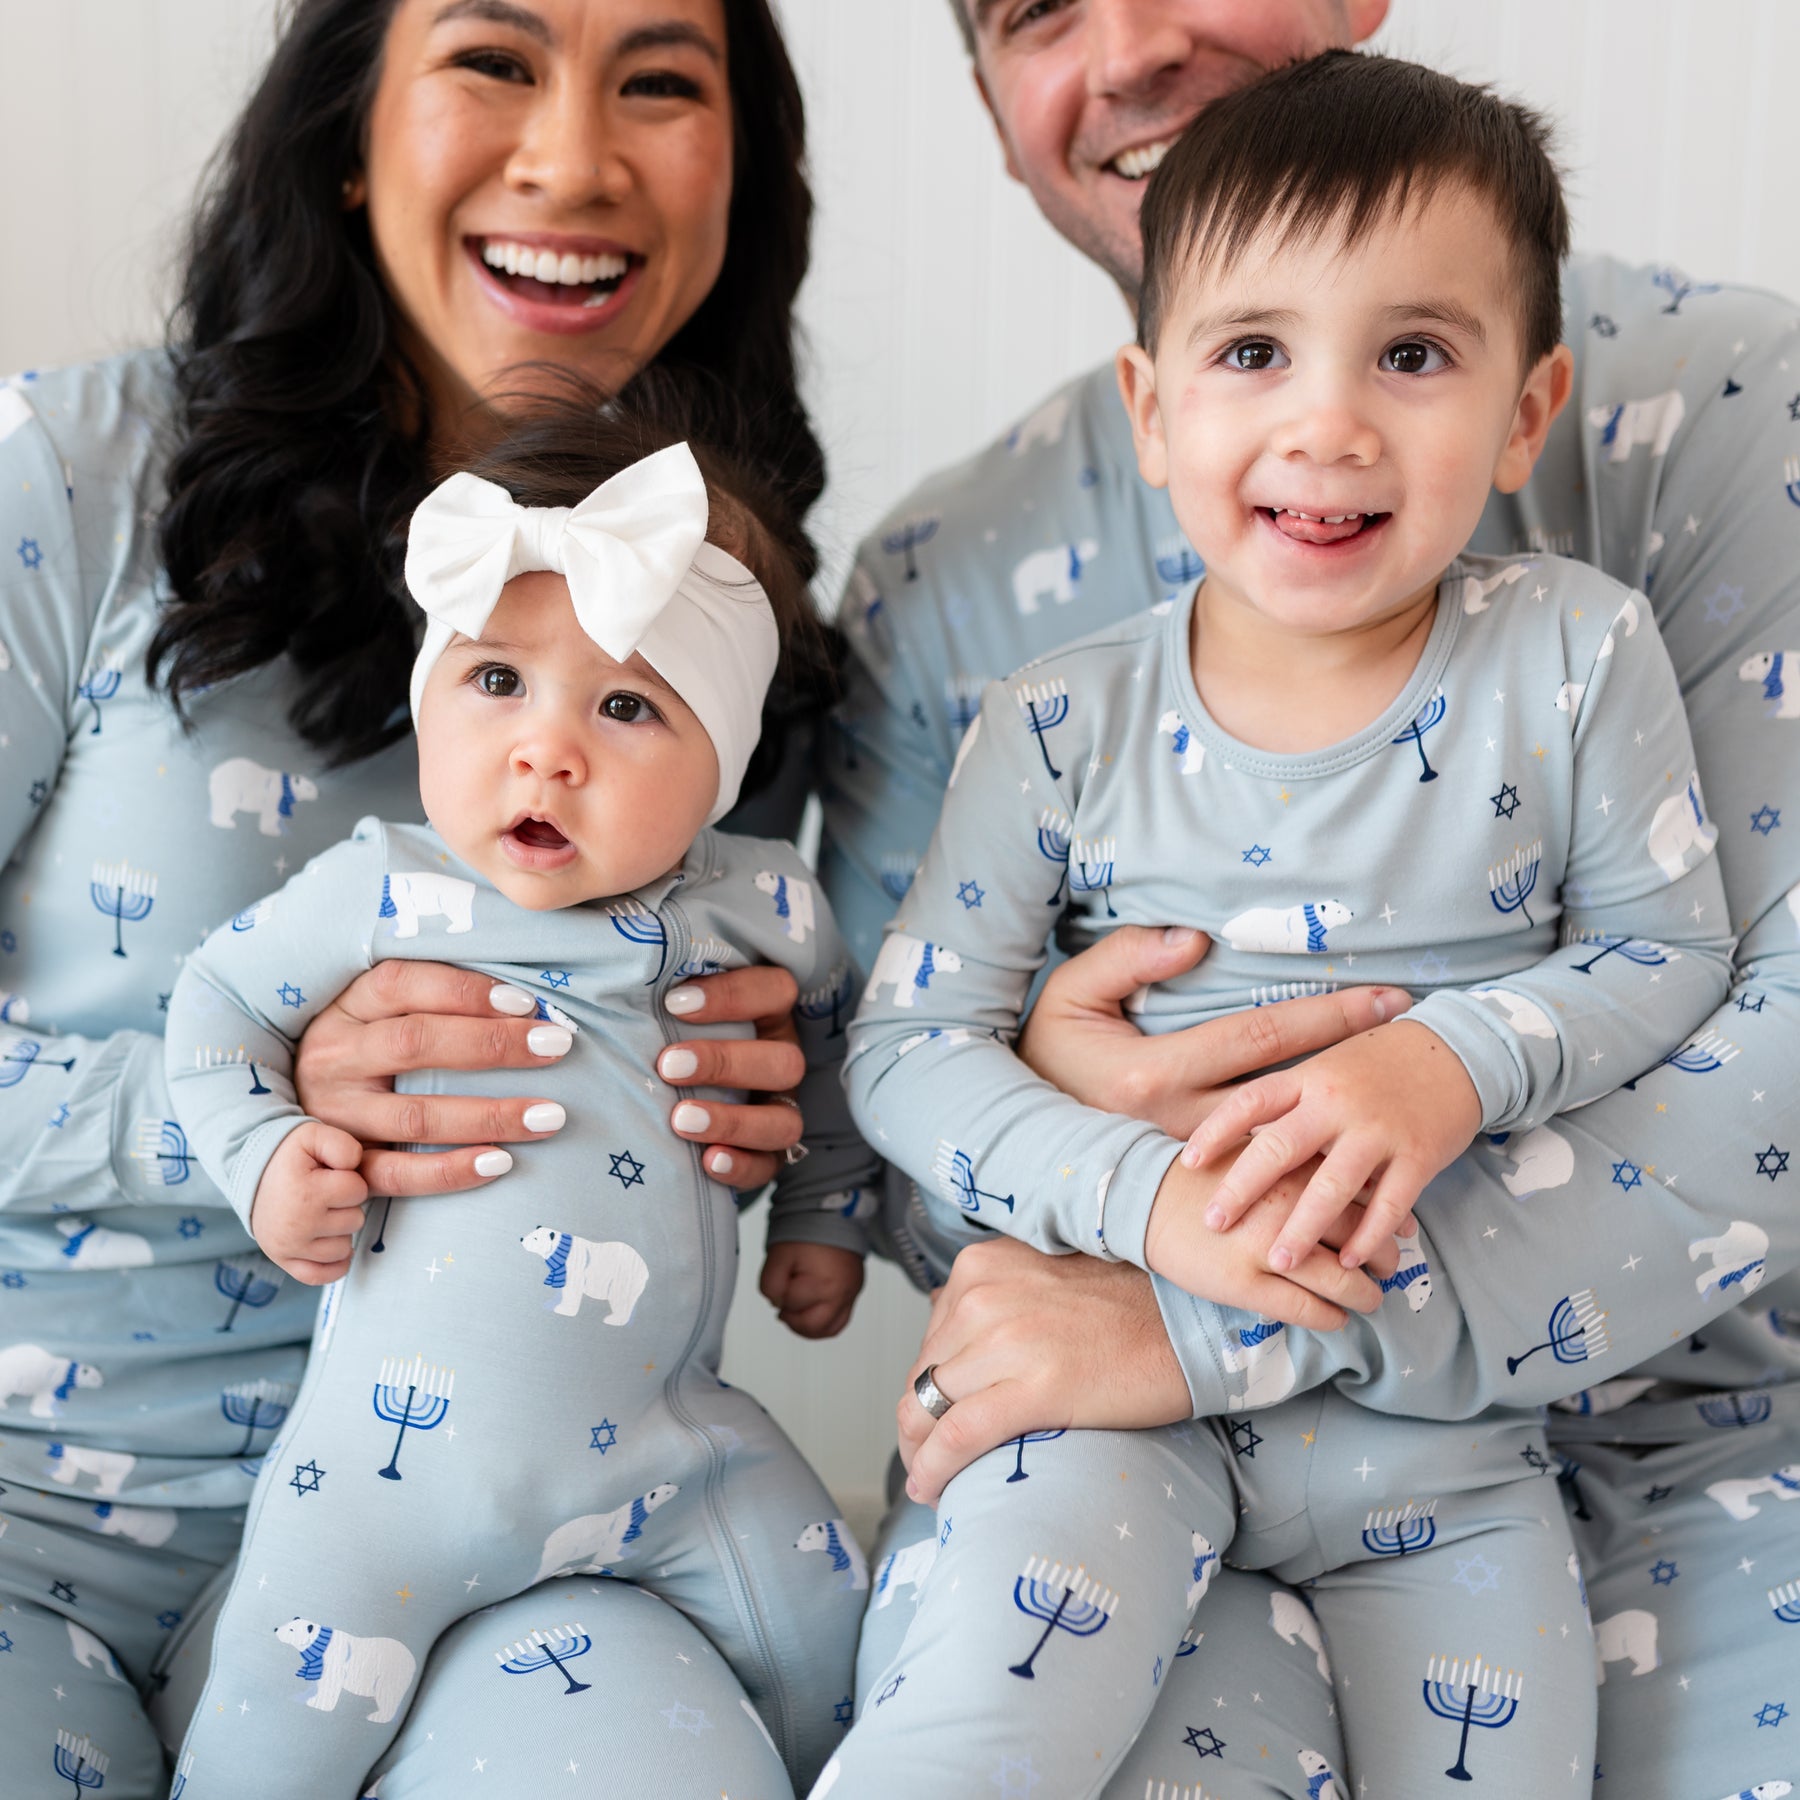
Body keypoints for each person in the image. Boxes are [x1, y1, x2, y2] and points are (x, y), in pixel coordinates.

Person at [820, 2, 1800, 1792]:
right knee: (993, 1725)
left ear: (1530, 411)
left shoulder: (1594, 628)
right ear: (1153, 404)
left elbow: (1702, 973)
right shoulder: (1027, 689)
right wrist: (1102, 1152)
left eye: (1412, 352)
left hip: (1512, 1445)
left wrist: (1444, 1073)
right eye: (1255, 349)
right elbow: (897, 1067)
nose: (1329, 424)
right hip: (1112, 1405)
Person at [0, 3, 841, 1793]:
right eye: (494, 58)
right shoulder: (64, 481)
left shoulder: (730, 618)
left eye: (663, 84)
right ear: (345, 133)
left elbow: (842, 1063)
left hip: (529, 1541)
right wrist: (233, 1111)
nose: (574, 158)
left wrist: (788, 1112)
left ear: (743, 179)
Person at [164, 403, 874, 1796]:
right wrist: (262, 1157)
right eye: (497, 682)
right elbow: (215, 1011)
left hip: (674, 1448)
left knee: (842, 1646)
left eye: (625, 706)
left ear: (721, 762)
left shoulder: (767, 906)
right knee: (266, 1750)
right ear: (430, 694)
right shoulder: (382, 887)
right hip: (384, 1483)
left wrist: (828, 1214)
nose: (548, 751)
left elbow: (847, 1052)